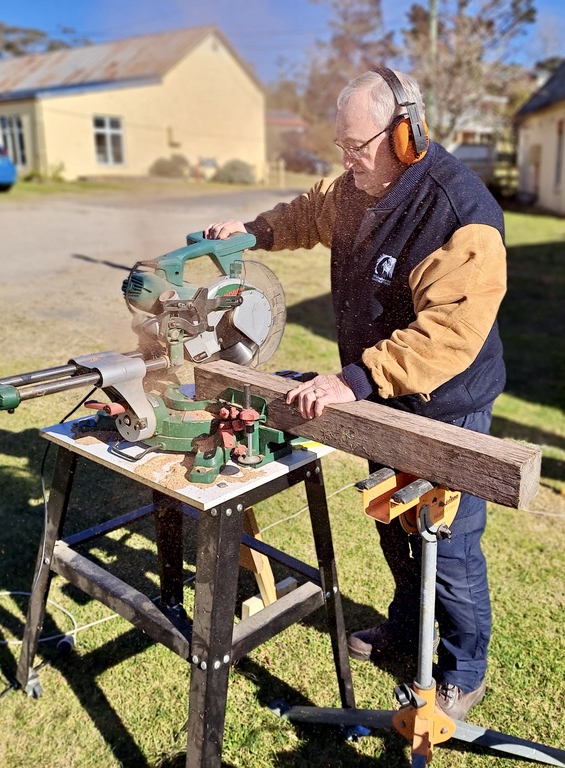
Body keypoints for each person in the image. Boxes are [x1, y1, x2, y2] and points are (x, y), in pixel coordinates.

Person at [205, 67, 507, 722]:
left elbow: (447, 336)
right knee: (394, 523)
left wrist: (350, 382)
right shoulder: (357, 188)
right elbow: (311, 211)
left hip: (444, 403)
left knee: (447, 544)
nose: (347, 162)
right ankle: (406, 626)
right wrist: (254, 231)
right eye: (340, 148)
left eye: (357, 147)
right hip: (377, 394)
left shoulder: (459, 214)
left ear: (405, 133)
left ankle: (463, 666)